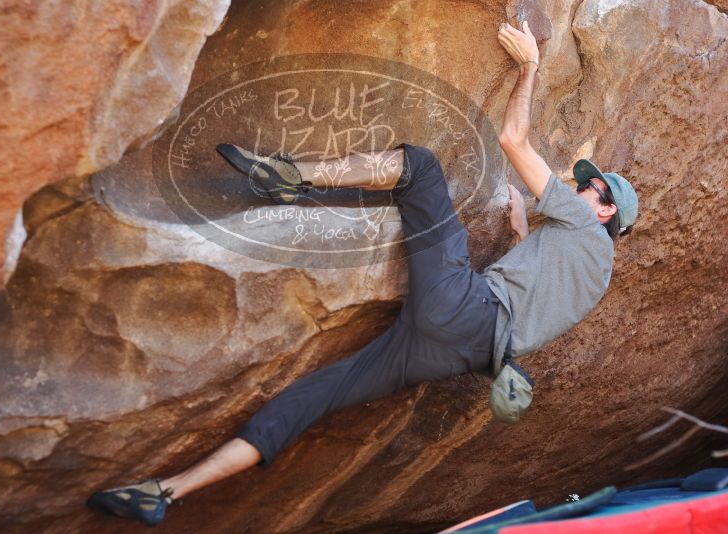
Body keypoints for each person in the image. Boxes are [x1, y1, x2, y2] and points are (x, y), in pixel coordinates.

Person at [86, 20, 638, 527]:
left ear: (605, 209)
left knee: (420, 167)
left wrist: (529, 67)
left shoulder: (582, 225)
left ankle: (286, 175)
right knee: (313, 397)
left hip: (462, 308)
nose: (577, 187)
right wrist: (521, 232)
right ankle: (167, 491)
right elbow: (535, 295)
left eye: (587, 187)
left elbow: (513, 140)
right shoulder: (597, 275)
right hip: (458, 353)